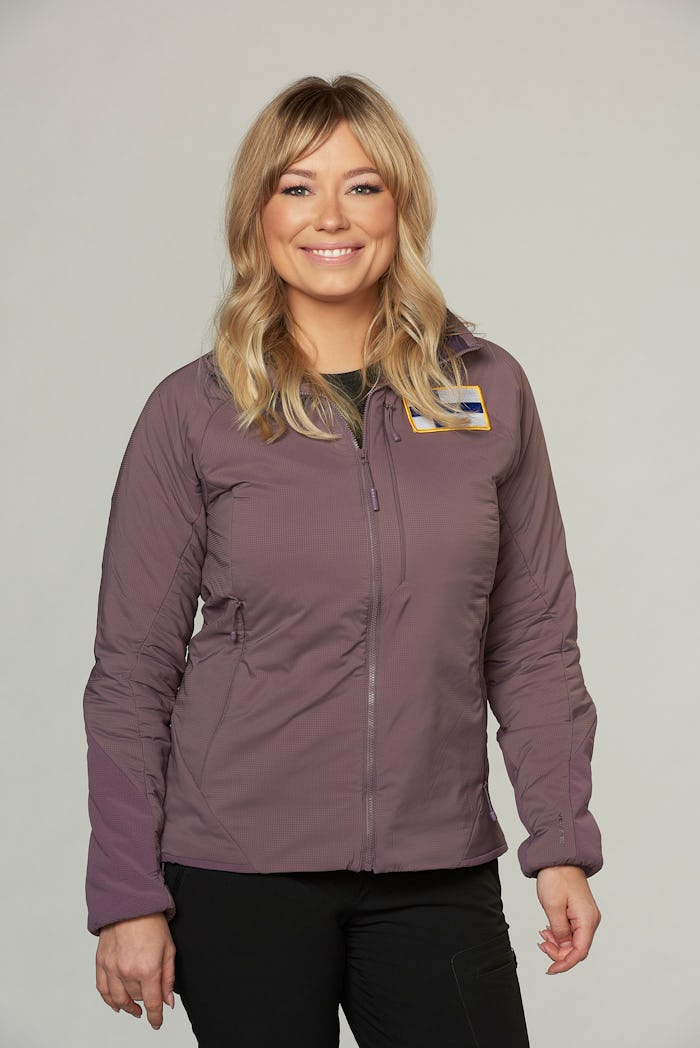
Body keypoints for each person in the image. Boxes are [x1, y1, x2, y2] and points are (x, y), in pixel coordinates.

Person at [83, 73, 603, 1047]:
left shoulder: (488, 391)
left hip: (436, 861)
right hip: (239, 867)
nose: (331, 216)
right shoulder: (193, 411)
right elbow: (131, 673)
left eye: (363, 186)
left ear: (400, 207)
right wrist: (126, 892)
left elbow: (533, 642)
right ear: (259, 215)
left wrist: (560, 841)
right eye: (297, 187)